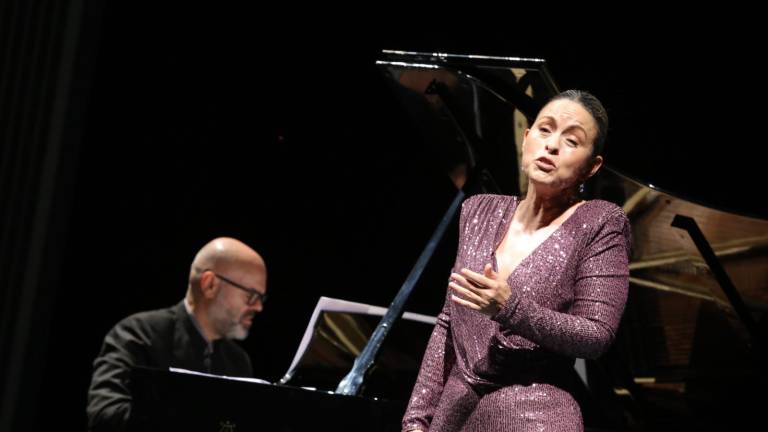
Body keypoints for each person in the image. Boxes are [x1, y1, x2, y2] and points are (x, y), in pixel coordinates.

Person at [402, 90, 631, 432]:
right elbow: (448, 323)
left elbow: (596, 334)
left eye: (571, 140)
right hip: (454, 416)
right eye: (544, 130)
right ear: (526, 139)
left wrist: (510, 307)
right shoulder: (478, 210)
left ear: (591, 167)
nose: (552, 145)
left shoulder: (600, 222)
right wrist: (416, 420)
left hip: (535, 416)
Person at [86, 237, 268, 432]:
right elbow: (105, 416)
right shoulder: (138, 334)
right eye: (251, 295)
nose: (258, 307)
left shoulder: (237, 361)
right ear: (210, 285)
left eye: (261, 298)